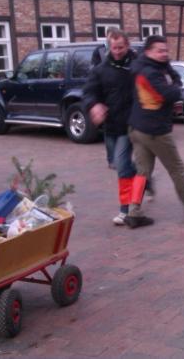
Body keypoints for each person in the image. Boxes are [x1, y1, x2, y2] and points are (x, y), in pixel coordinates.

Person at [126, 35, 184, 228]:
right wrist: (175, 85)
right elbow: (168, 94)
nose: (164, 54)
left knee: (142, 172)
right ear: (148, 51)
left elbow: (173, 78)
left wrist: (172, 78)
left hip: (138, 127)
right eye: (160, 51)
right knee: (176, 168)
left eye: (165, 50)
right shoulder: (150, 72)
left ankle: (133, 212)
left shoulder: (151, 66)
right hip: (154, 130)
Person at [83, 29, 138, 226]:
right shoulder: (100, 69)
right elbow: (89, 92)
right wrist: (94, 105)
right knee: (116, 163)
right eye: (114, 48)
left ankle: (125, 209)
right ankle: (144, 179)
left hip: (130, 124)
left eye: (120, 47)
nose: (117, 51)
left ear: (127, 45)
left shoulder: (137, 65)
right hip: (110, 125)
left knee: (121, 166)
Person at [91, 26, 118, 169]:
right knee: (109, 131)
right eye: (111, 36)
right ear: (107, 36)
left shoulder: (121, 50)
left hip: (119, 95)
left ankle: (121, 157)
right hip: (105, 95)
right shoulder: (99, 51)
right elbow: (94, 71)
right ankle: (111, 159)